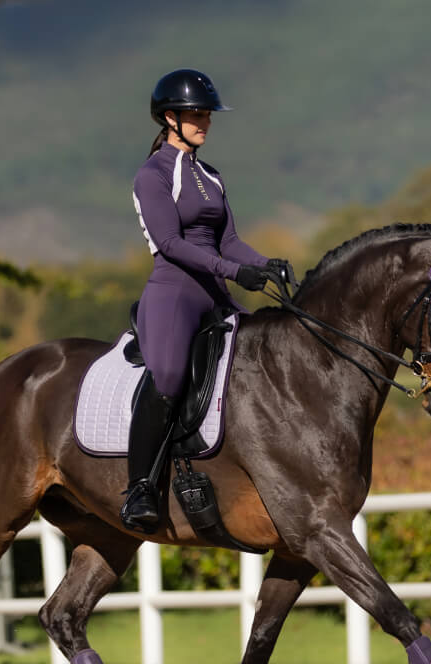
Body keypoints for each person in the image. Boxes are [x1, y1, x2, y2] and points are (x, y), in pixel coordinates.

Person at [120, 68, 290, 533]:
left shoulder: (210, 176)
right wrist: (236, 272)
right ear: (169, 117)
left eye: (207, 115)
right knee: (170, 377)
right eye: (196, 114)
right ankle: (139, 487)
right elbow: (171, 244)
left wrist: (265, 264)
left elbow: (229, 240)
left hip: (215, 290)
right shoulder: (152, 175)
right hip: (174, 292)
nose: (204, 122)